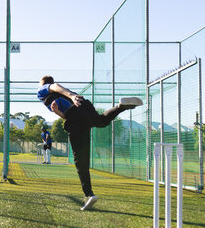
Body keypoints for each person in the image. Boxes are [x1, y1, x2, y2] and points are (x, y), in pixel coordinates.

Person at [37, 75, 142, 210]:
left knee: (80, 160)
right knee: (101, 121)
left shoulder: (42, 91)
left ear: (43, 84)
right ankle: (121, 106)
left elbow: (55, 86)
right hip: (83, 106)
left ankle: (89, 194)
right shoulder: (55, 98)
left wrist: (71, 96)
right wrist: (57, 111)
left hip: (75, 113)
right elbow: (65, 115)